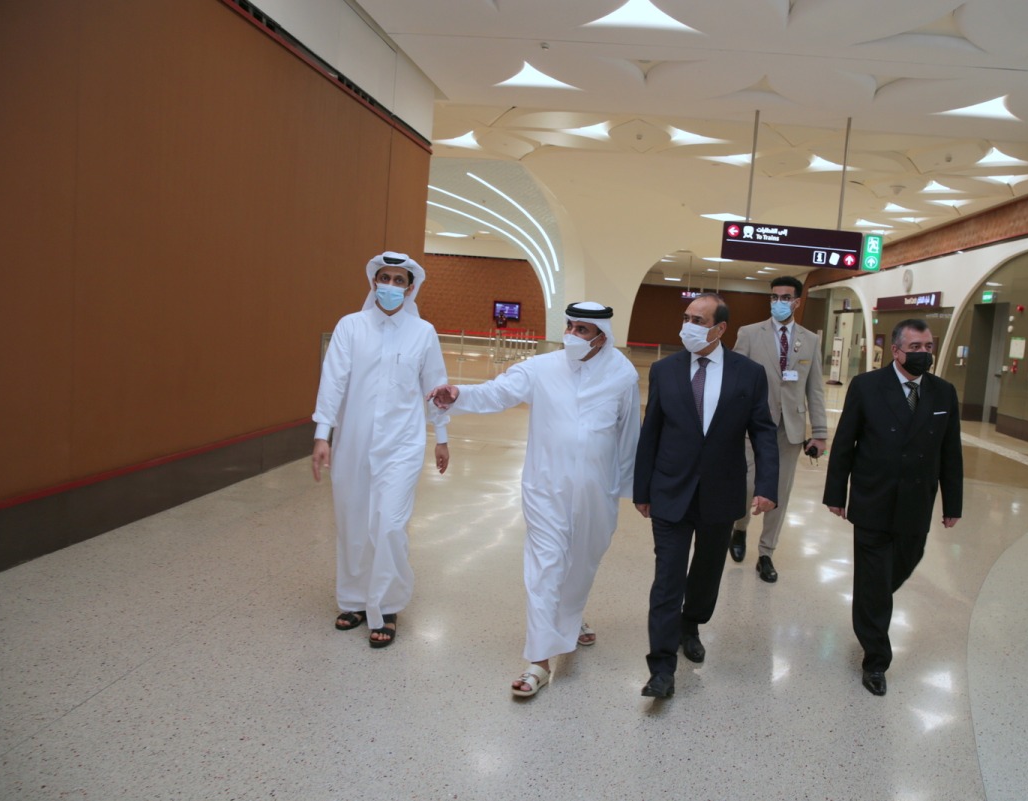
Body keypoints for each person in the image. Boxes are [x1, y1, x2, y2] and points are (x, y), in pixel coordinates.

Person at [427, 302, 640, 697]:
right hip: (545, 486)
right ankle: (538, 662)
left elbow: (629, 437)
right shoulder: (542, 367)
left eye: (584, 330)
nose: (574, 336)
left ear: (603, 337)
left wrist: (631, 489)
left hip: (598, 491)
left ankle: (572, 619)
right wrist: (457, 394)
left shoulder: (622, 374)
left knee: (583, 561)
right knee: (545, 565)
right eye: (571, 327)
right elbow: (498, 393)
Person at [633, 293, 779, 699]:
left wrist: (767, 485)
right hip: (670, 490)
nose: (688, 325)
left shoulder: (748, 374)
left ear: (720, 329)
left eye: (698, 320)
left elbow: (763, 432)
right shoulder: (665, 370)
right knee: (667, 579)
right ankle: (661, 668)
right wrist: (641, 488)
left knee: (706, 573)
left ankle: (691, 623)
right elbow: (652, 432)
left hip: (721, 491)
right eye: (686, 317)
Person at [311, 251, 450, 649]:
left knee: (389, 525)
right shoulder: (350, 327)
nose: (390, 286)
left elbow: (435, 388)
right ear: (373, 282)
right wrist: (324, 434)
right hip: (354, 441)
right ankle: (354, 600)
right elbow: (333, 381)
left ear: (410, 287)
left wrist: (441, 437)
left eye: (399, 280)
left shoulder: (423, 332)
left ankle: (386, 605)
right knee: (353, 522)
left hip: (403, 444)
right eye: (384, 278)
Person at [823, 318, 962, 696]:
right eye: (915, 348)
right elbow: (845, 442)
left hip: (917, 504)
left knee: (901, 565)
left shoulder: (943, 393)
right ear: (896, 351)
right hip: (873, 499)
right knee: (873, 581)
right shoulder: (867, 387)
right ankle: (876, 660)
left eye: (928, 347)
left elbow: (951, 453)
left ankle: (872, 602)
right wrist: (836, 493)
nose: (923, 354)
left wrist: (954, 503)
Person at [729, 276, 828, 583]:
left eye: (785, 298)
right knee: (747, 486)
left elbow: (815, 388)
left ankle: (766, 552)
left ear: (797, 302)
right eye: (774, 297)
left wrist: (820, 431)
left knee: (778, 493)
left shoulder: (810, 340)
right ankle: (740, 526)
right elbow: (733, 380)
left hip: (790, 428)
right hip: (752, 425)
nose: (778, 302)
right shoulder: (748, 334)